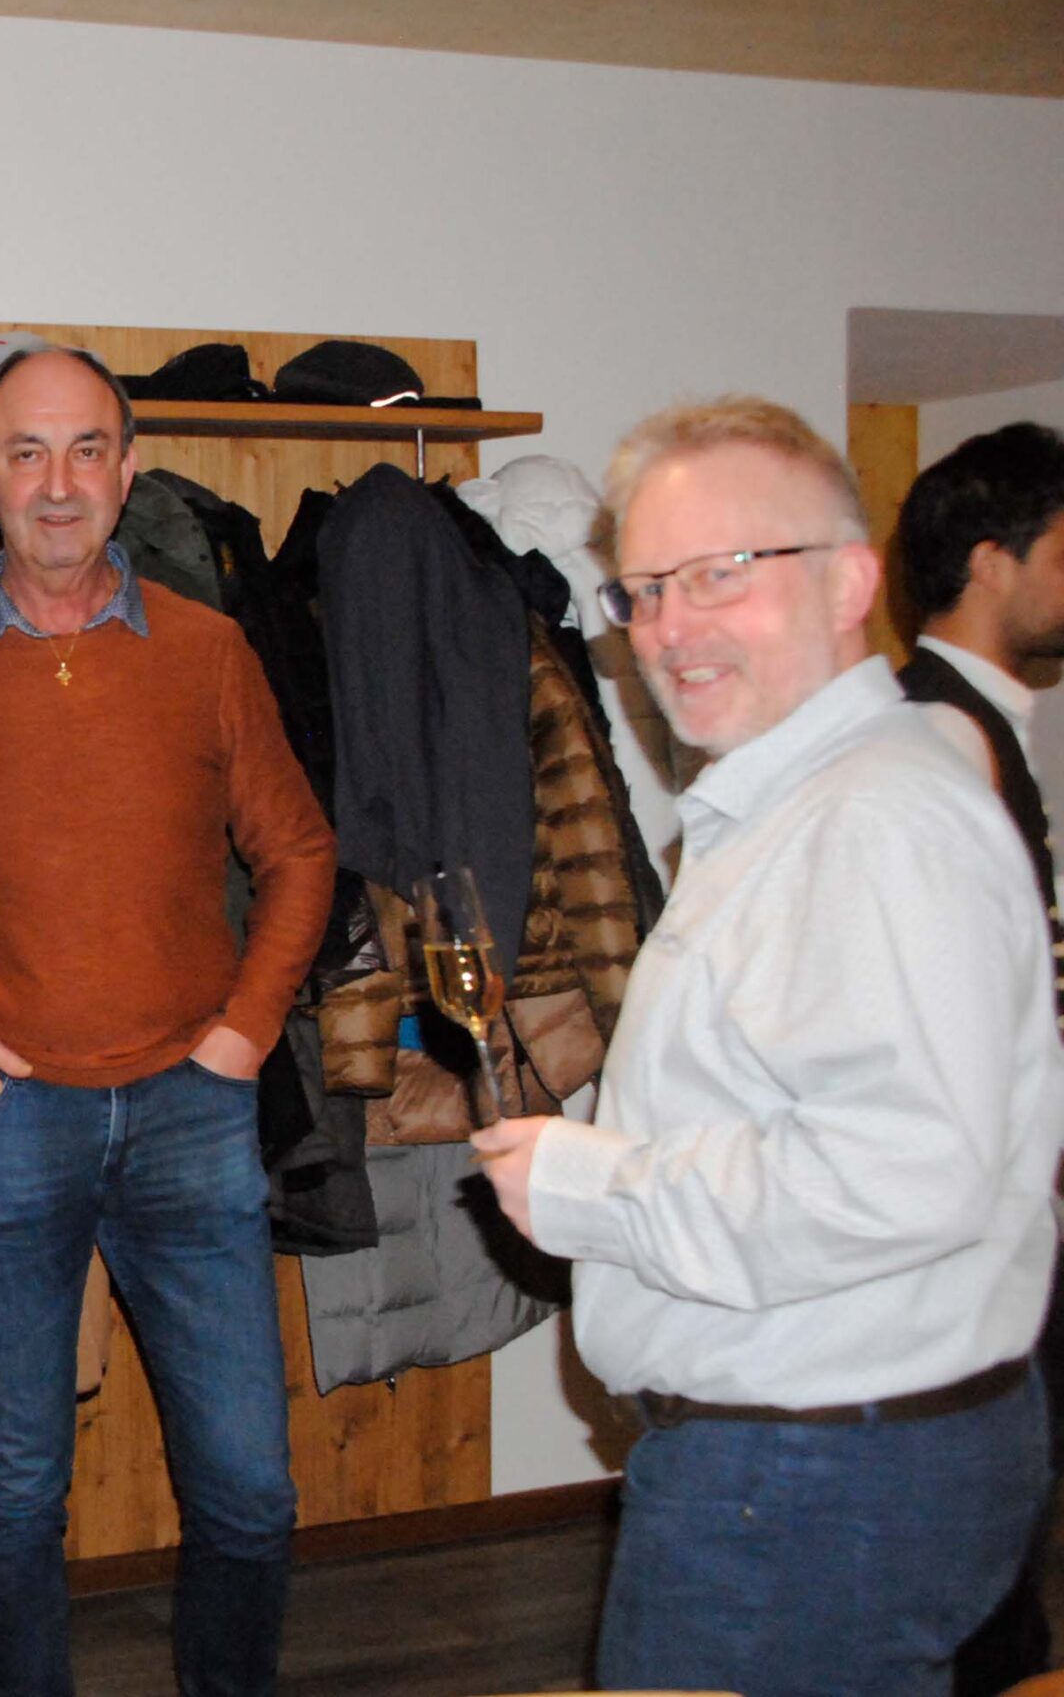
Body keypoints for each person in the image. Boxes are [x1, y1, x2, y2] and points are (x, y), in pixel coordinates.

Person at [472, 397, 1064, 1697]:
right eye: (642, 590)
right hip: (825, 1463)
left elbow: (900, 1170)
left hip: (806, 1481)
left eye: (721, 573)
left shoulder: (872, 819)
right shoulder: (807, 800)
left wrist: (588, 1185)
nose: (669, 629)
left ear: (849, 581)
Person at [0, 345, 336, 1697]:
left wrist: (244, 1030)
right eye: (28, 453)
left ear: (126, 470)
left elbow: (299, 852)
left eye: (87, 449)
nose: (58, 483)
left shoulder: (211, 653)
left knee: (250, 1491)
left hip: (191, 1115)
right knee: (15, 1493)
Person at [894, 419, 1064, 1697]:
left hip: (1011, 1199)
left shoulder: (979, 726)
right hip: (970, 1217)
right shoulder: (934, 740)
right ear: (994, 560)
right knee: (979, 1552)